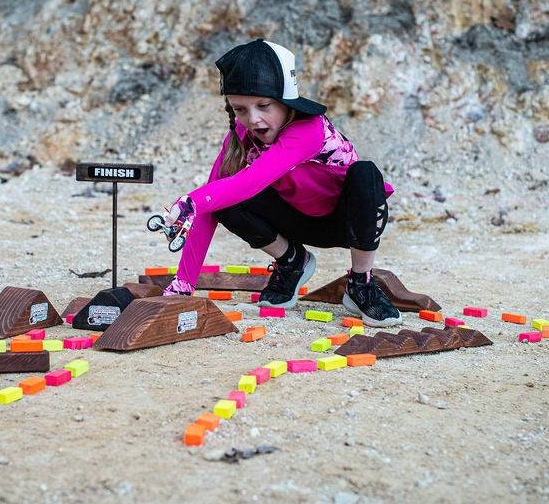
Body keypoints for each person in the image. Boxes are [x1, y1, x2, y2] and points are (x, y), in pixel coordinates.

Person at [159, 39, 401, 326]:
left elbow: (251, 181)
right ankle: (292, 262)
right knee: (222, 196)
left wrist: (191, 200)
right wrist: (183, 284)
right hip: (296, 220)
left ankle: (361, 282)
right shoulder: (240, 133)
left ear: (286, 102)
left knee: (366, 174)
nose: (253, 119)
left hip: (345, 223)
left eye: (263, 105)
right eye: (240, 109)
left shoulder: (308, 129)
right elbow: (211, 201)